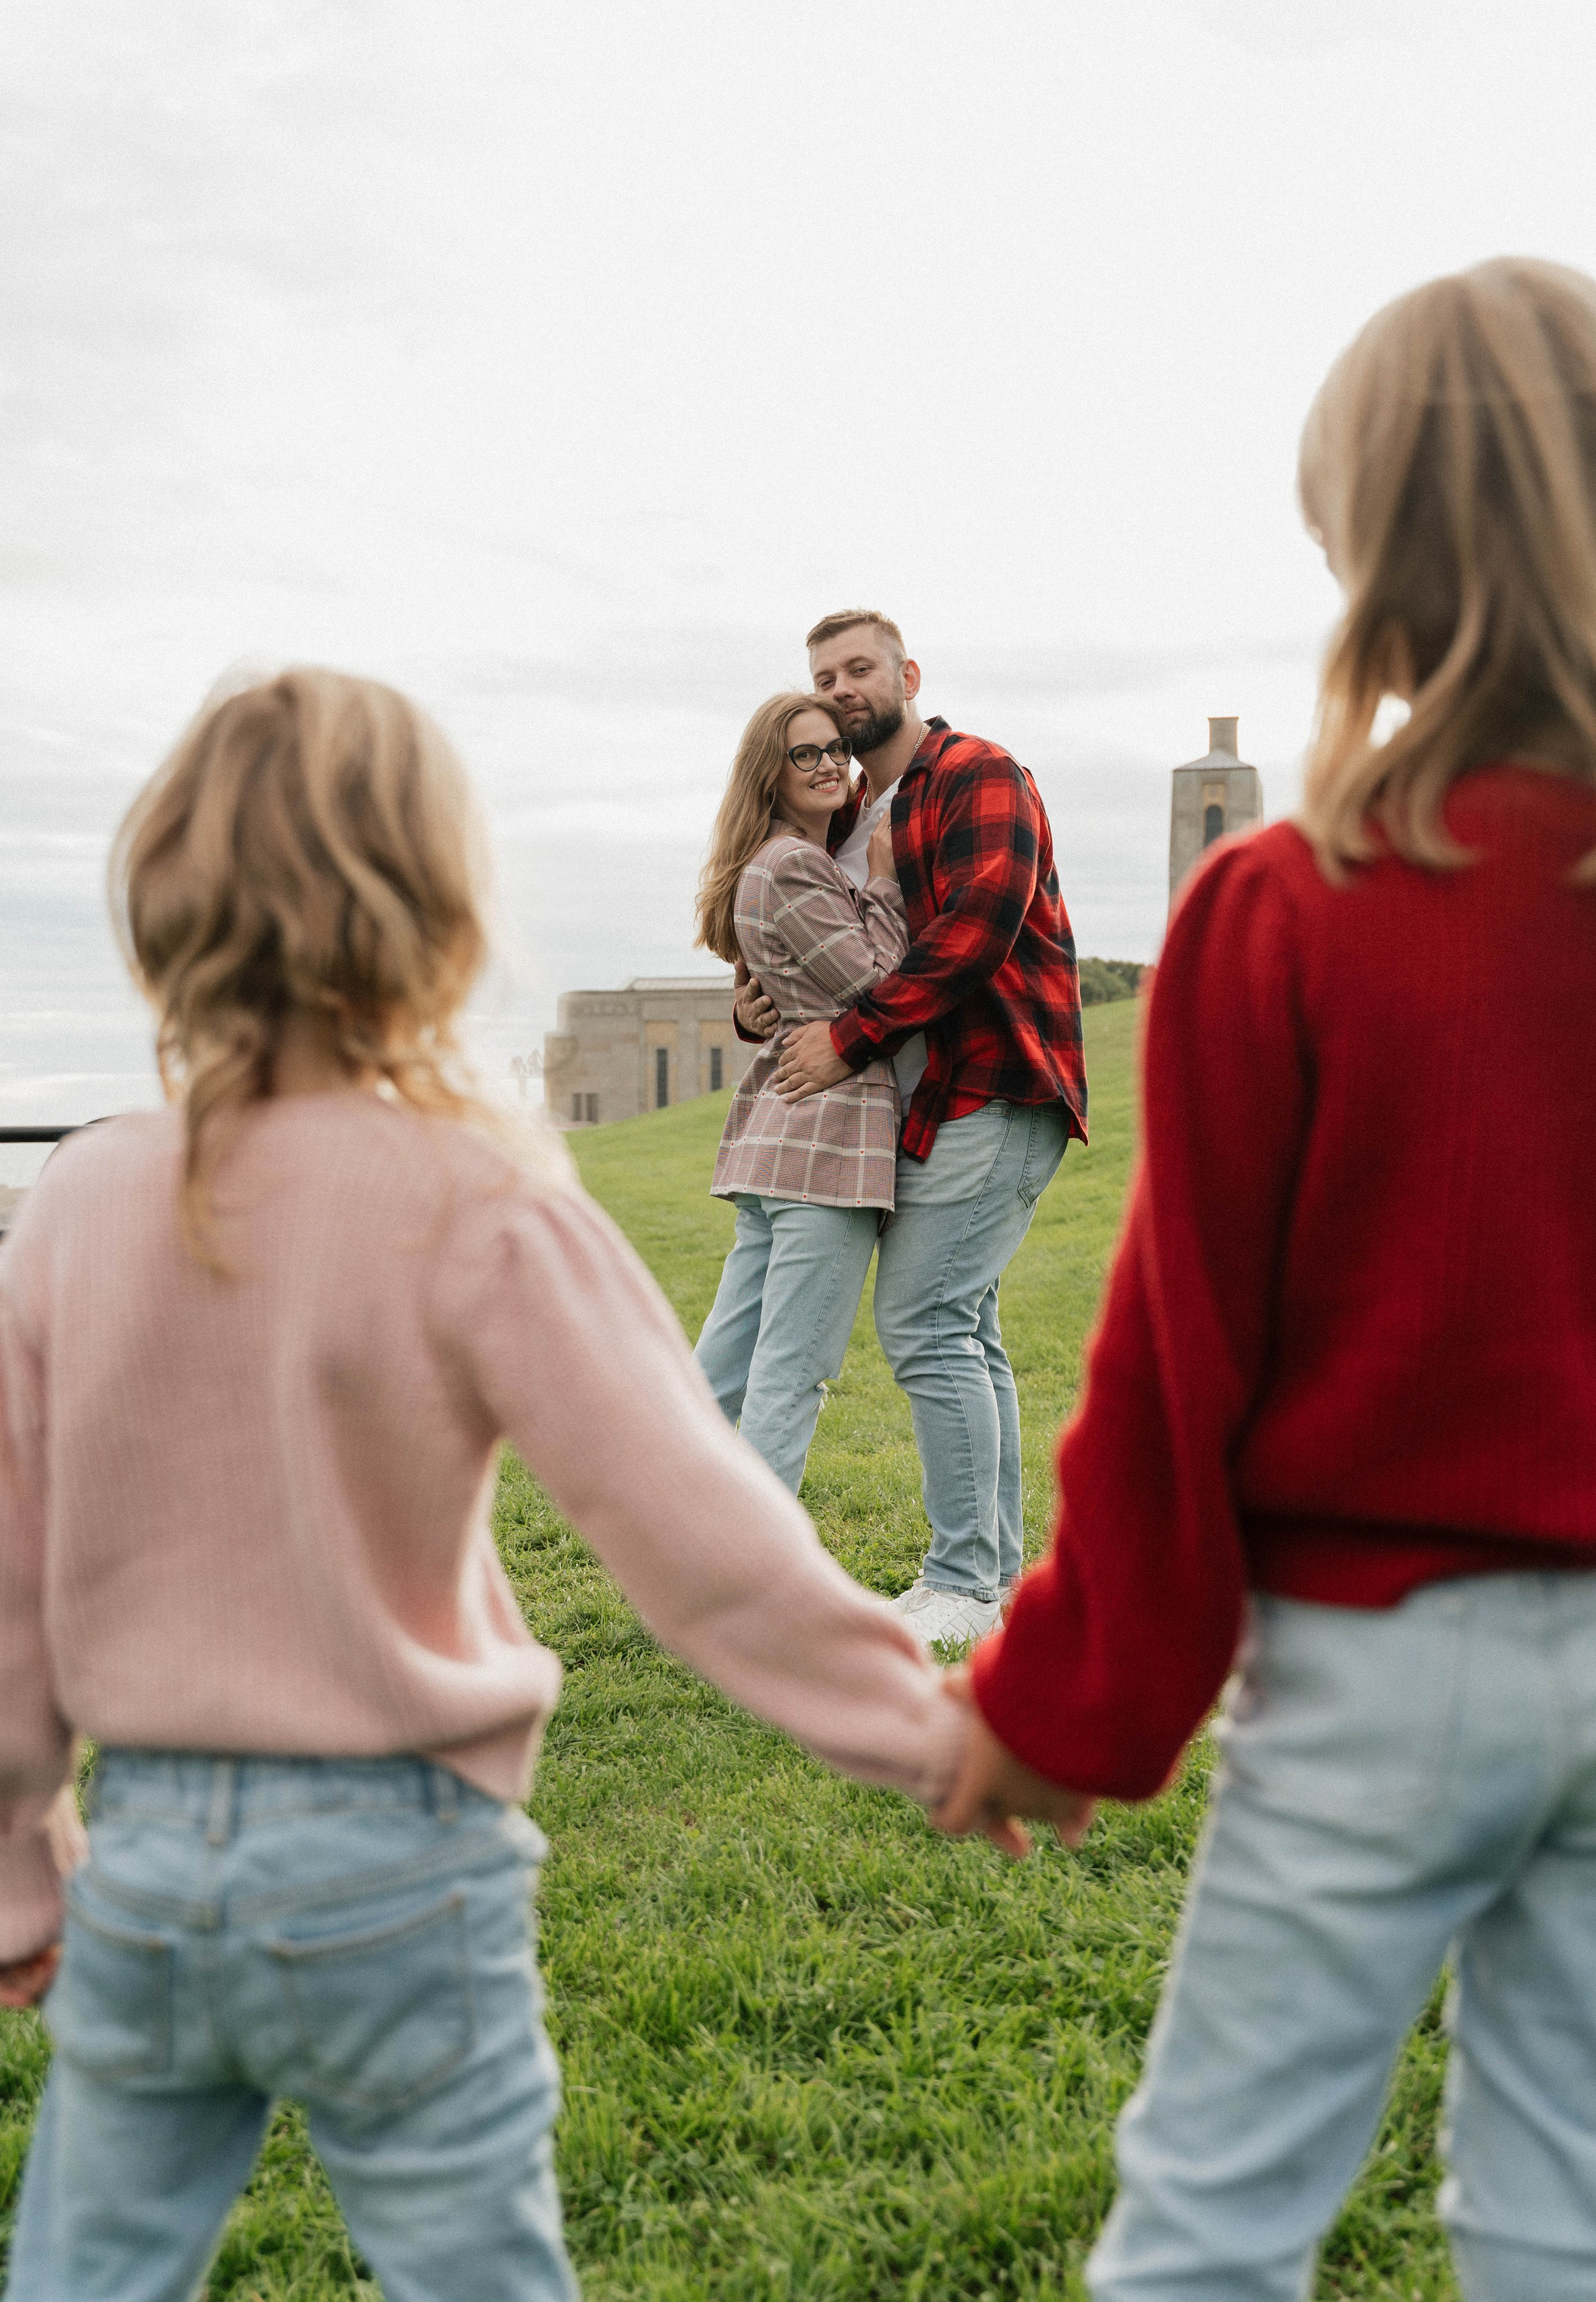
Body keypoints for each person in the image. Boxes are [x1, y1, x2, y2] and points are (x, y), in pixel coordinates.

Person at [938, 258, 1596, 2301]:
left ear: (1367, 547)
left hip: (1384, 1667)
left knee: (1215, 2212)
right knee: (1569, 2205)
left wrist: (1062, 1700)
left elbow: (1172, 1364)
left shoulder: (1285, 908)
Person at [0, 668, 963, 2302]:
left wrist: (20, 1865)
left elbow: (11, 1592)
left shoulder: (75, 1198)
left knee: (87, 2267)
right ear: (437, 906)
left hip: (151, 1873)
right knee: (473, 2268)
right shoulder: (475, 1193)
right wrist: (928, 1729)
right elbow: (698, 1530)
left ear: (164, 903)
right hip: (402, 1865)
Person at [739, 612, 1086, 1648]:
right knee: (962, 1328)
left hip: (997, 1083)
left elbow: (975, 931)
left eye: (859, 669)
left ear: (907, 675)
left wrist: (850, 1035)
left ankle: (966, 1582)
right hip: (926, 1100)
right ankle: (995, 1582)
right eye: (823, 675)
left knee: (928, 1321)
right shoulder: (852, 815)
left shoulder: (979, 773)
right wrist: (758, 1007)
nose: (842, 688)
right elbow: (821, 940)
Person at [691, 691, 907, 1494]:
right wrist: (883, 885)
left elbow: (787, 989)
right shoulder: (793, 862)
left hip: (778, 1149)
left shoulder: (772, 861)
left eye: (834, 751)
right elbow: (877, 987)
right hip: (825, 1152)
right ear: (769, 774)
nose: (829, 766)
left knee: (723, 1367)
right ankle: (747, 1580)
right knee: (790, 1372)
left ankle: (679, 1546)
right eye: (804, 754)